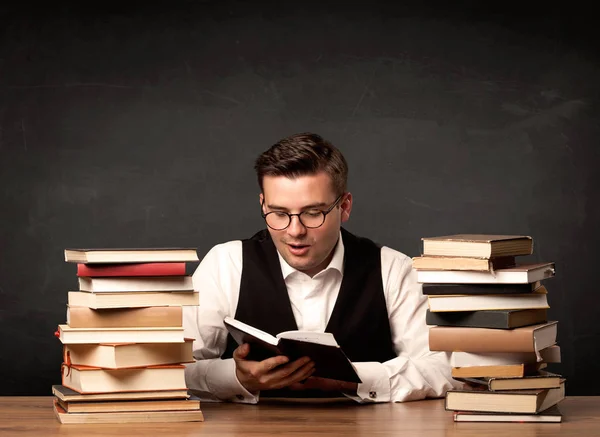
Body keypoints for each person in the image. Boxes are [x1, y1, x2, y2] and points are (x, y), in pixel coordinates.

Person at [183, 132, 459, 403]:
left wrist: (356, 378)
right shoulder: (226, 263)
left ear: (345, 207)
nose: (295, 231)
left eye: (313, 213)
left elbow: (443, 369)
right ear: (262, 205)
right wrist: (236, 378)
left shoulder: (393, 269)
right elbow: (174, 367)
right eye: (279, 213)